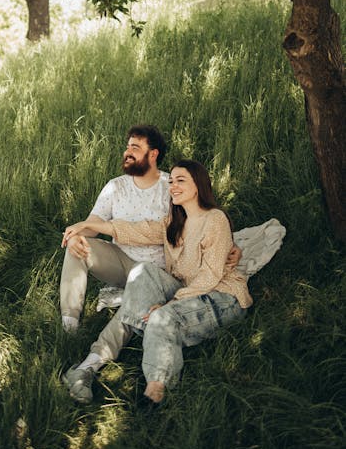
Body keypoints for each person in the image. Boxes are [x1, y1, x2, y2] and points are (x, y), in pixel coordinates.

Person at [61, 159, 252, 406]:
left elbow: (210, 276)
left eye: (181, 180)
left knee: (163, 317)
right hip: (187, 293)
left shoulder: (214, 219)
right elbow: (133, 230)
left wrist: (170, 303)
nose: (173, 186)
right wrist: (87, 225)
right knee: (142, 273)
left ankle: (154, 392)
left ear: (199, 186)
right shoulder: (173, 223)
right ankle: (92, 363)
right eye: (171, 181)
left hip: (222, 297)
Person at [60, 125, 242, 332]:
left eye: (135, 148)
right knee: (76, 246)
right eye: (127, 147)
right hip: (121, 260)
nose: (127, 152)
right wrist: (77, 235)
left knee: (139, 307)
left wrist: (231, 246)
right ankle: (69, 325)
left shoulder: (172, 186)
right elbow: (93, 223)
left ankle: (130, 314)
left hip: (159, 271)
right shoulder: (115, 186)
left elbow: (202, 219)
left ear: (153, 154)